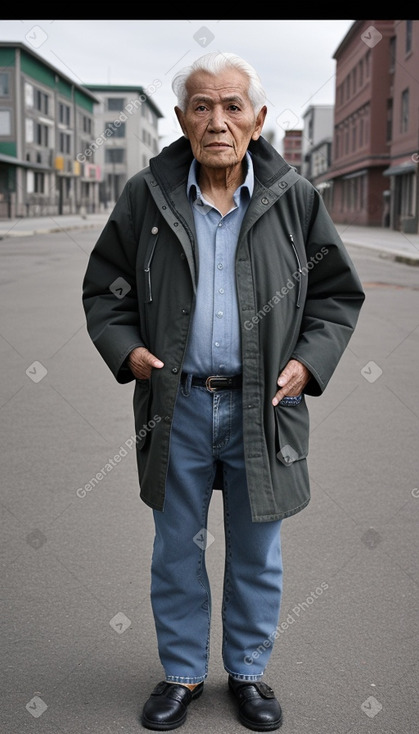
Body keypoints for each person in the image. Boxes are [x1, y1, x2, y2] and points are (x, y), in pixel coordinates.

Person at [82, 51, 365, 731]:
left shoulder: (294, 198)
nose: (217, 120)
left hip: (261, 408)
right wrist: (129, 352)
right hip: (174, 402)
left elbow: (334, 296)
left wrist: (307, 361)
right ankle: (180, 673)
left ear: (258, 119)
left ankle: (247, 673)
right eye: (201, 106)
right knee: (175, 546)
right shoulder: (145, 197)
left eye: (232, 105)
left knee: (256, 550)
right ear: (181, 118)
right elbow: (105, 289)